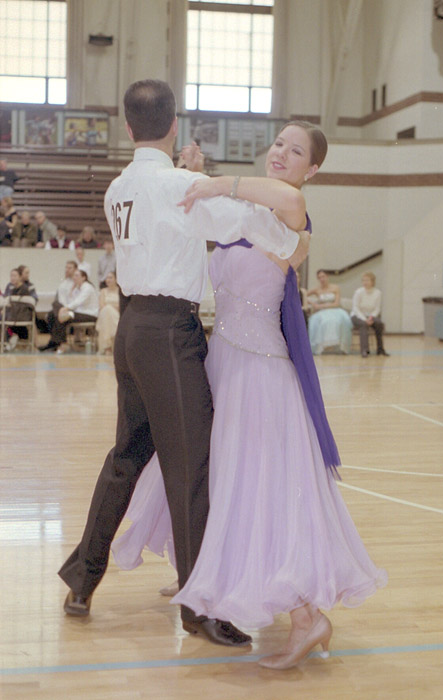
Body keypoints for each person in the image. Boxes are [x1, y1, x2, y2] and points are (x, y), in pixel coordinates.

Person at [111, 120, 387, 670]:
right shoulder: (252, 217)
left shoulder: (294, 214)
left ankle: (308, 619)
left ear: (313, 169)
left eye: (295, 150)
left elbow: (279, 195)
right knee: (220, 479)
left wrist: (215, 181)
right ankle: (208, 574)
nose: (281, 153)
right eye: (278, 144)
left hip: (261, 378)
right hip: (224, 365)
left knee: (267, 493)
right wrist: (190, 177)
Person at [57, 79, 308, 649]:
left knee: (126, 456)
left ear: (128, 128)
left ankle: (82, 580)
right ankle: (201, 607)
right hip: (170, 334)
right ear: (174, 126)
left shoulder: (117, 188)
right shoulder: (184, 185)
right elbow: (247, 224)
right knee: (191, 469)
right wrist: (291, 241)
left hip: (130, 330)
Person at [307, 269, 352, 354]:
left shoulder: (335, 288)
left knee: (340, 320)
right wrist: (312, 303)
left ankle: (338, 346)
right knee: (319, 321)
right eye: (319, 277)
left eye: (323, 276)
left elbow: (336, 303)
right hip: (322, 312)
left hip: (335, 309)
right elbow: (303, 294)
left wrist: (319, 306)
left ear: (327, 277)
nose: (321, 279)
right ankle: (323, 346)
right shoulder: (317, 289)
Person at [39, 261, 78, 352]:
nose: (67, 270)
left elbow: (76, 300)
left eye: (70, 268)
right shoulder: (64, 282)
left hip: (72, 310)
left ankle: (55, 342)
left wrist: (64, 308)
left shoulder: (77, 282)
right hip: (62, 309)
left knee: (55, 311)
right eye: (66, 267)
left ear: (75, 269)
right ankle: (56, 342)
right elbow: (60, 298)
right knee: (52, 315)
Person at [351, 272, 389, 357]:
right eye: (363, 280)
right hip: (358, 315)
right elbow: (356, 308)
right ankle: (364, 350)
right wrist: (365, 319)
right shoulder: (358, 292)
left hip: (371, 316)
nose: (365, 282)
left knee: (379, 324)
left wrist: (371, 317)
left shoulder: (378, 293)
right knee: (363, 325)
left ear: (372, 281)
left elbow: (377, 308)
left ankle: (380, 349)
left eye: (367, 280)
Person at [1, 267, 36, 351]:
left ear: (20, 277)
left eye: (15, 276)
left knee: (4, 318)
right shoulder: (12, 289)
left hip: (20, 316)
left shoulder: (24, 289)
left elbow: (21, 306)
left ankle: (12, 339)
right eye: (11, 276)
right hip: (13, 315)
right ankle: (10, 340)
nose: (12, 278)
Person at [96, 271, 119, 354]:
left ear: (116, 279)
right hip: (105, 314)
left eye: (110, 277)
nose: (108, 280)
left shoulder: (120, 291)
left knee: (108, 310)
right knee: (106, 311)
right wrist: (110, 307)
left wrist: (110, 307)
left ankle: (108, 347)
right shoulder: (103, 291)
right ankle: (108, 346)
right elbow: (102, 305)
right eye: (107, 278)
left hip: (117, 315)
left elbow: (120, 307)